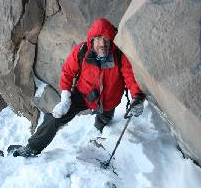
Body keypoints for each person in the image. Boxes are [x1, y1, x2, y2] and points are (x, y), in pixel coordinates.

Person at [13, 18, 146, 157]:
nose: (102, 43)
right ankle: (32, 147)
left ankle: (100, 126)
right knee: (55, 118)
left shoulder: (119, 55)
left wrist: (137, 97)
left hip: (109, 100)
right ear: (92, 39)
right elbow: (67, 72)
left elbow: (130, 76)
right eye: (98, 38)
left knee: (104, 118)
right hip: (83, 96)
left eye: (106, 38)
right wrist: (65, 98)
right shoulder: (82, 51)